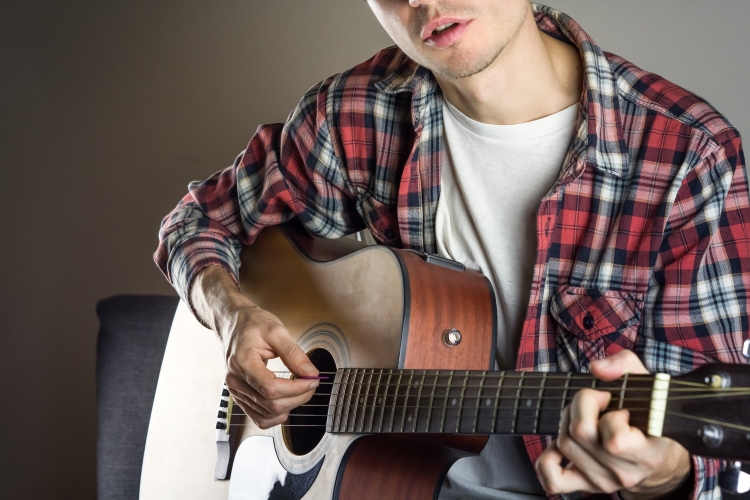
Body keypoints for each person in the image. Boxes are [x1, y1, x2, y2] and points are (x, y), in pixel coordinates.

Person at [154, 1, 750, 498]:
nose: (424, 0)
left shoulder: (688, 156)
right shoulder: (355, 113)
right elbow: (196, 223)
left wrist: (663, 473)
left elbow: (709, 467)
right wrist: (233, 317)